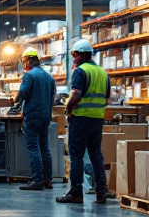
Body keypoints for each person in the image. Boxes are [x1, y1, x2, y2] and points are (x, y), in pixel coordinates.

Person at [56, 39, 109, 205]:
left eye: (74, 55)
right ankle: (101, 192)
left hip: (81, 119)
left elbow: (76, 94)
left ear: (79, 54)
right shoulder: (102, 72)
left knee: (76, 156)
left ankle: (76, 192)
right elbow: (106, 96)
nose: (73, 59)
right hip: (97, 119)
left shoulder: (80, 71)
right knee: (96, 155)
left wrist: (68, 111)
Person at [10, 49, 56, 191]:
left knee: (33, 147)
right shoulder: (49, 77)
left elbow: (22, 93)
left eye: (23, 62)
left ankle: (37, 180)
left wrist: (15, 105)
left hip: (33, 116)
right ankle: (47, 180)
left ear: (28, 61)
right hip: (45, 116)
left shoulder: (29, 76)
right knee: (44, 147)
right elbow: (53, 96)